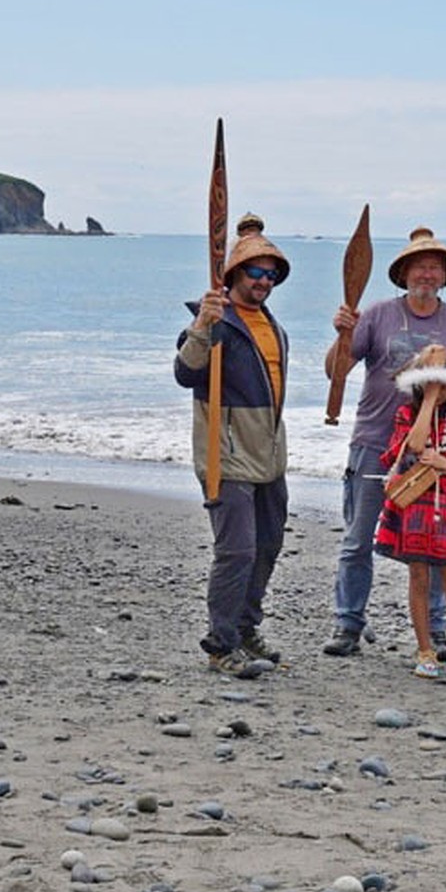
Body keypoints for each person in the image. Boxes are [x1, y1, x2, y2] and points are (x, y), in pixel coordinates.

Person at [322, 228, 446, 658]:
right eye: (419, 266)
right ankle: (347, 624)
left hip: (437, 451)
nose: (427, 273)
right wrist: (340, 335)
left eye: (434, 267)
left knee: (436, 543)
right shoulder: (375, 316)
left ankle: (437, 632)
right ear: (404, 273)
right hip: (376, 442)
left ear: (444, 275)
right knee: (357, 539)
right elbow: (334, 371)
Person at [174, 214, 290, 678]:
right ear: (233, 276)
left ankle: (245, 628)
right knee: (237, 550)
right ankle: (221, 644)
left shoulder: (269, 323)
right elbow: (185, 373)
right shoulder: (217, 320)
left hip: (269, 454)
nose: (263, 281)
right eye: (254, 272)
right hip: (227, 456)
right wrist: (204, 324)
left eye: (270, 274)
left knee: (267, 546)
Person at [375, 344, 446, 679]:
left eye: (443, 383)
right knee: (419, 576)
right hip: (416, 503)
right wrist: (427, 400)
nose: (438, 390)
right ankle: (425, 650)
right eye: (430, 382)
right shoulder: (407, 414)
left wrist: (444, 463)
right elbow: (412, 446)